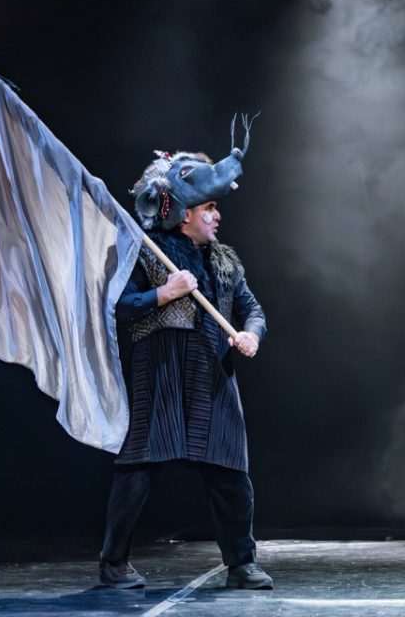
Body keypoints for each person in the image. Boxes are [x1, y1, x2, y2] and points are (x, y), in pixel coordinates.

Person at [98, 144, 273, 590]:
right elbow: (120, 307)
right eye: (209, 208)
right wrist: (165, 292)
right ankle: (113, 564)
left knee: (230, 473)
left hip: (212, 373)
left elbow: (253, 310)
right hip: (161, 370)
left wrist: (251, 334)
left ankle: (241, 564)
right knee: (139, 468)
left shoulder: (225, 260)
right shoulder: (147, 253)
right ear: (184, 214)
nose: (217, 216)